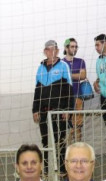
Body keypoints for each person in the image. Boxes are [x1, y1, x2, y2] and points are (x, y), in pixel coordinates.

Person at [32, 40, 72, 173]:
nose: (51, 52)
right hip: (43, 112)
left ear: (58, 51)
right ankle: (48, 170)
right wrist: (35, 110)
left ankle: (61, 171)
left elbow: (70, 90)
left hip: (59, 112)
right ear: (45, 52)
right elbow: (37, 90)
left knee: (60, 141)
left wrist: (68, 110)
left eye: (54, 49)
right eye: (48, 49)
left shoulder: (63, 66)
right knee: (46, 141)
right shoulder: (40, 68)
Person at [62, 38, 89, 142]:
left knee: (77, 126)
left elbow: (82, 76)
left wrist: (67, 75)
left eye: (76, 46)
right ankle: (67, 150)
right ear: (66, 48)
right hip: (64, 98)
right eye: (72, 46)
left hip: (77, 97)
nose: (75, 48)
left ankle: (78, 149)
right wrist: (74, 75)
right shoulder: (61, 63)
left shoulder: (80, 61)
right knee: (65, 126)